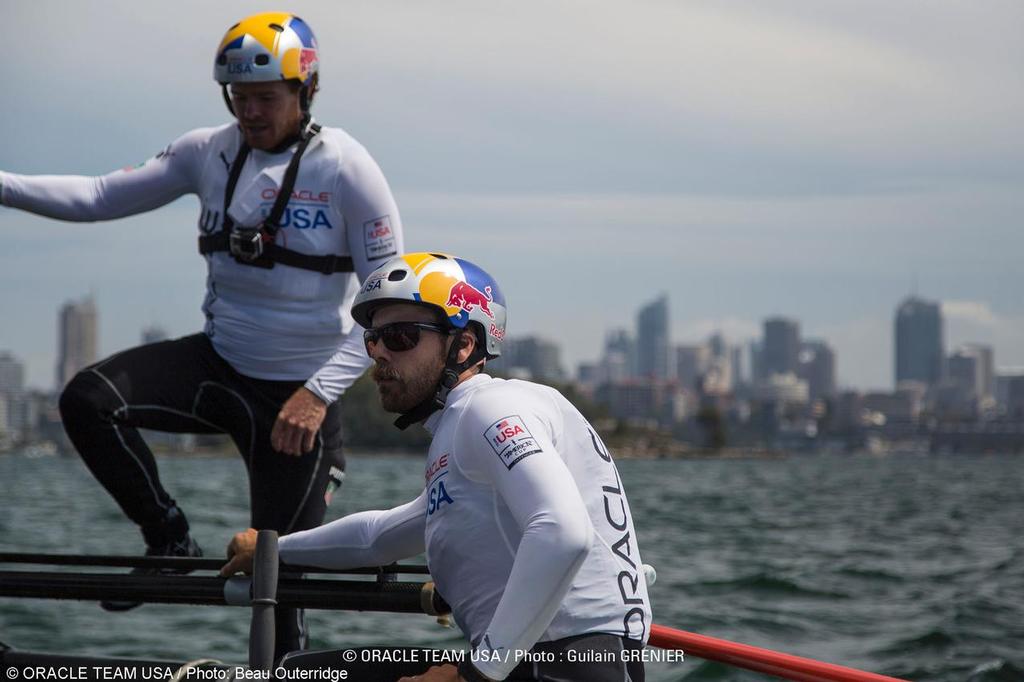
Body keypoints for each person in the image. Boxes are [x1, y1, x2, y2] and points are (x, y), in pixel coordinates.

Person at [0, 12, 403, 658]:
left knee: (280, 600)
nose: (249, 111)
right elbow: (100, 194)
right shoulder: (205, 152)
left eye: (265, 98)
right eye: (238, 98)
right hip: (219, 365)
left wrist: (319, 393)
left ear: (307, 91)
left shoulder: (348, 171)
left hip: (297, 407)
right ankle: (168, 540)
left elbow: (389, 307)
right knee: (86, 400)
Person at [222, 252, 651, 681]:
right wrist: (270, 549)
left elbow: (563, 532)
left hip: (558, 665)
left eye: (402, 337)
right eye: (373, 339)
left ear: (464, 345)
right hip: (554, 661)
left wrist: (474, 674)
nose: (380, 355)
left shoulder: (489, 408)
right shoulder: (465, 427)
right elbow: (378, 538)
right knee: (304, 673)